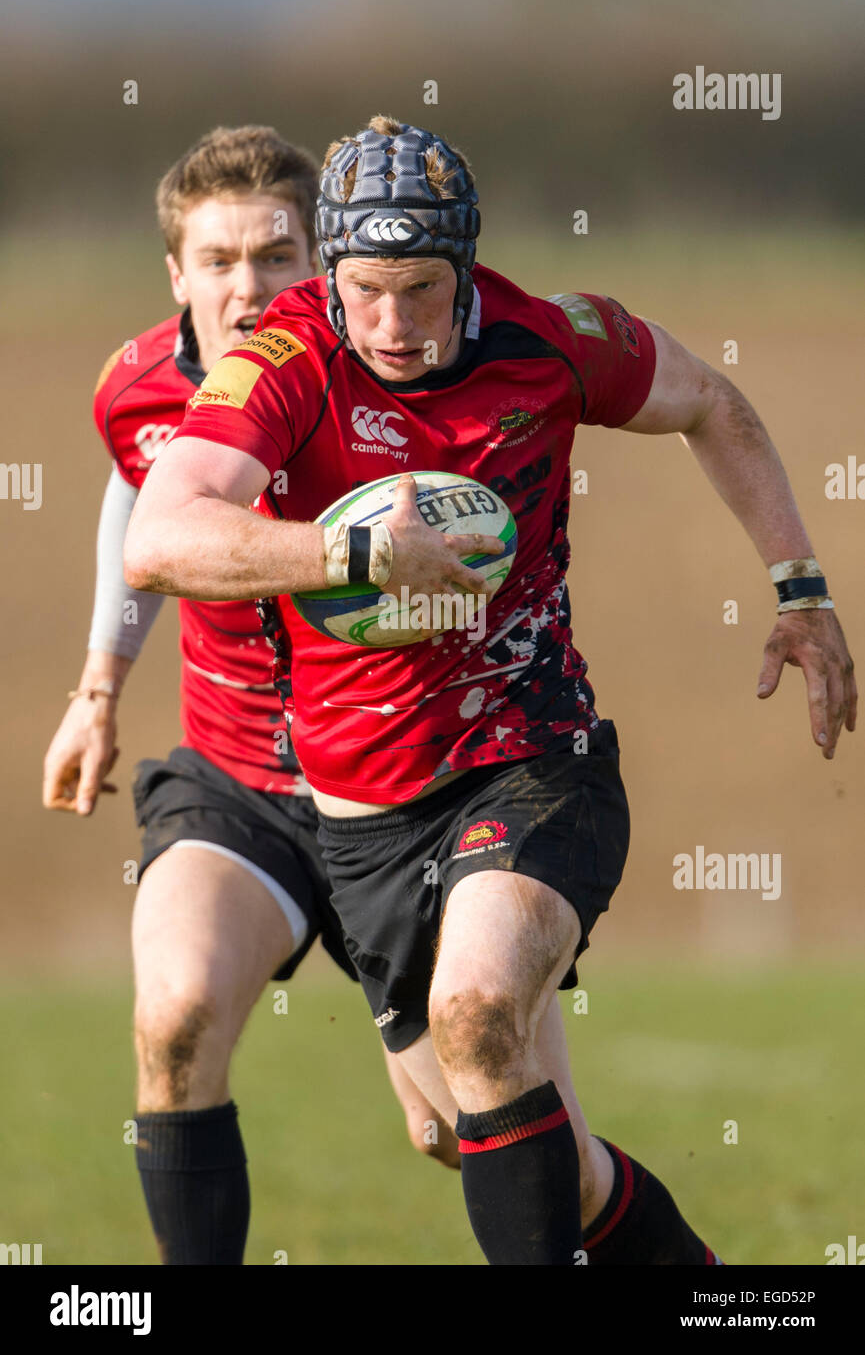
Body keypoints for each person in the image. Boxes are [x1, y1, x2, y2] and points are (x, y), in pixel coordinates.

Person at [124, 115, 856, 1265]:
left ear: (465, 268)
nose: (393, 323)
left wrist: (799, 586)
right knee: (462, 1132)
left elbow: (714, 404)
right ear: (331, 274)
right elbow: (158, 537)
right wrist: (356, 555)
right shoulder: (284, 359)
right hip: (361, 817)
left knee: (478, 1011)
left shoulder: (554, 339)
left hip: (532, 758)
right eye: (365, 288)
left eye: (422, 288)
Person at [42, 124, 459, 1268]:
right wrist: (98, 687)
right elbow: (133, 510)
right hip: (239, 782)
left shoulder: (369, 363)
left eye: (276, 256)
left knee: (458, 1128)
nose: (248, 286)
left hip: (394, 789)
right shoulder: (134, 387)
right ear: (175, 275)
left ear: (319, 259)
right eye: (217, 261)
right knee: (173, 1019)